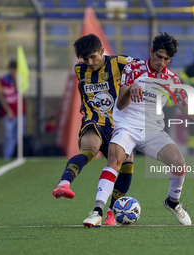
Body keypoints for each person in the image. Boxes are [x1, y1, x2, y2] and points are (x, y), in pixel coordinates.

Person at [82, 32, 194, 227]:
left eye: (166, 59)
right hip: (126, 125)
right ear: (151, 52)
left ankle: (172, 202)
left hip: (152, 129)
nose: (161, 62)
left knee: (179, 163)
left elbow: (187, 109)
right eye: (159, 56)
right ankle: (97, 211)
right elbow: (120, 104)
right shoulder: (133, 68)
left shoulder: (172, 79)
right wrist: (130, 88)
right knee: (114, 160)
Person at [51, 34, 137, 225]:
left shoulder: (118, 62)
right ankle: (64, 184)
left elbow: (142, 68)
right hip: (94, 120)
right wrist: (84, 103)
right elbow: (85, 89)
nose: (90, 62)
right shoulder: (79, 69)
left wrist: (136, 84)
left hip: (119, 124)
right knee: (89, 149)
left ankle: (112, 213)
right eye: (85, 58)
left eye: (93, 57)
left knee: (127, 164)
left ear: (101, 51)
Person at [0, 59, 26, 159]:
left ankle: (15, 154)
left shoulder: (20, 81)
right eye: (12, 70)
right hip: (8, 113)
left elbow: (23, 94)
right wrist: (8, 110)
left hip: (20, 113)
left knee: (19, 135)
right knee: (8, 135)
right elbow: (1, 97)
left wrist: (19, 83)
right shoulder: (3, 81)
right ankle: (6, 155)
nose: (14, 72)